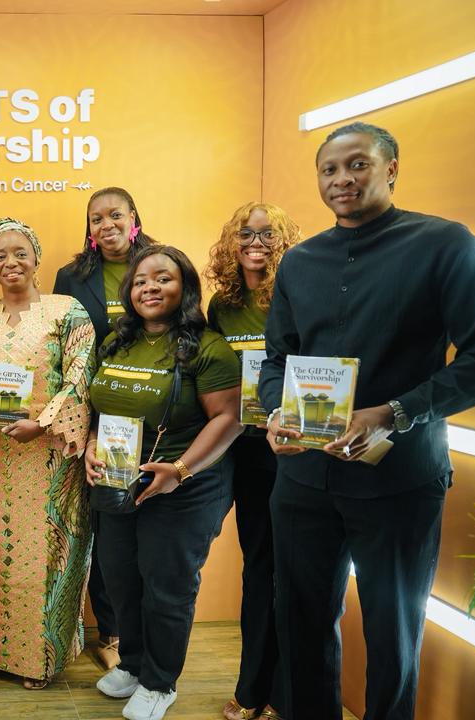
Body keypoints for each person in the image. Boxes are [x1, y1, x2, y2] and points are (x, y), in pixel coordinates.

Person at [259, 122, 475, 720]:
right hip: (303, 481)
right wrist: (277, 411)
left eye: (357, 164)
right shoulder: (299, 261)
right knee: (300, 627)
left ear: (392, 168)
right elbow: (278, 356)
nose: (342, 179)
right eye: (329, 169)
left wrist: (393, 412)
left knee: (393, 634)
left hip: (398, 481)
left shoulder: (445, 245)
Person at [86, 245, 242, 720]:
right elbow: (101, 407)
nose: (149, 288)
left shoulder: (208, 347)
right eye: (140, 281)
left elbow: (230, 418)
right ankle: (133, 664)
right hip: (119, 480)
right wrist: (92, 445)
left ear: (185, 288)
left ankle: (159, 682)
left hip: (184, 487)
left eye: (163, 279)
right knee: (120, 579)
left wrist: (181, 470)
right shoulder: (117, 341)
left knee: (167, 586)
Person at [0, 217, 95, 690]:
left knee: (44, 559)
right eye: (0, 255)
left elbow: (81, 373)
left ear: (36, 257)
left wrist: (44, 422)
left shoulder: (67, 311)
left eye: (20, 252)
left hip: (48, 457)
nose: (11, 262)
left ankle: (39, 660)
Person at [53, 185, 157, 670]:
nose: (106, 224)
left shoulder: (160, 263)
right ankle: (112, 632)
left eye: (115, 214)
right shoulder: (72, 277)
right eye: (96, 218)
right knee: (107, 522)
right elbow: (60, 340)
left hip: (155, 411)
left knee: (152, 521)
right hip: (100, 413)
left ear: (134, 216)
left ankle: (151, 629)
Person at [205, 203, 300, 720]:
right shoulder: (223, 305)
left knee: (296, 570)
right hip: (246, 452)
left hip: (294, 450)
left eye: (267, 234)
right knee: (259, 566)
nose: (255, 242)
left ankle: (286, 695)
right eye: (245, 233)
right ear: (231, 242)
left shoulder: (296, 294)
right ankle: (252, 688)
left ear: (284, 241)